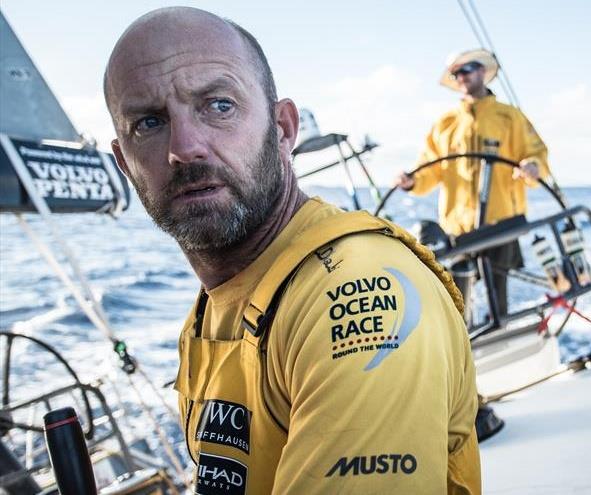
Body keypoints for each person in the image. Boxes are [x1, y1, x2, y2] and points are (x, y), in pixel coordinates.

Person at [103, 8, 480, 494]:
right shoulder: (211, 311)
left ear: (283, 129)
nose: (185, 146)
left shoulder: (360, 291)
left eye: (218, 106)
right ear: (125, 164)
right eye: (149, 122)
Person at [395, 49, 552, 317]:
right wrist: (412, 182)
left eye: (467, 69)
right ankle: (463, 349)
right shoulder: (445, 123)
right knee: (456, 302)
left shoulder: (510, 117)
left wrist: (533, 167)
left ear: (482, 71)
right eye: (456, 73)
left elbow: (536, 152)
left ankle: (500, 338)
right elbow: (430, 169)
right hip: (457, 229)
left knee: (497, 299)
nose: (461, 76)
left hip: (500, 224)